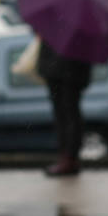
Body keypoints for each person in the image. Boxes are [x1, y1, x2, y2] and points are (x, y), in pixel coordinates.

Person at [36, 40, 91, 177]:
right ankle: (69, 158)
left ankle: (68, 158)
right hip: (65, 70)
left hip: (63, 70)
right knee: (67, 114)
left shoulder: (58, 24)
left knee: (66, 114)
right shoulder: (77, 26)